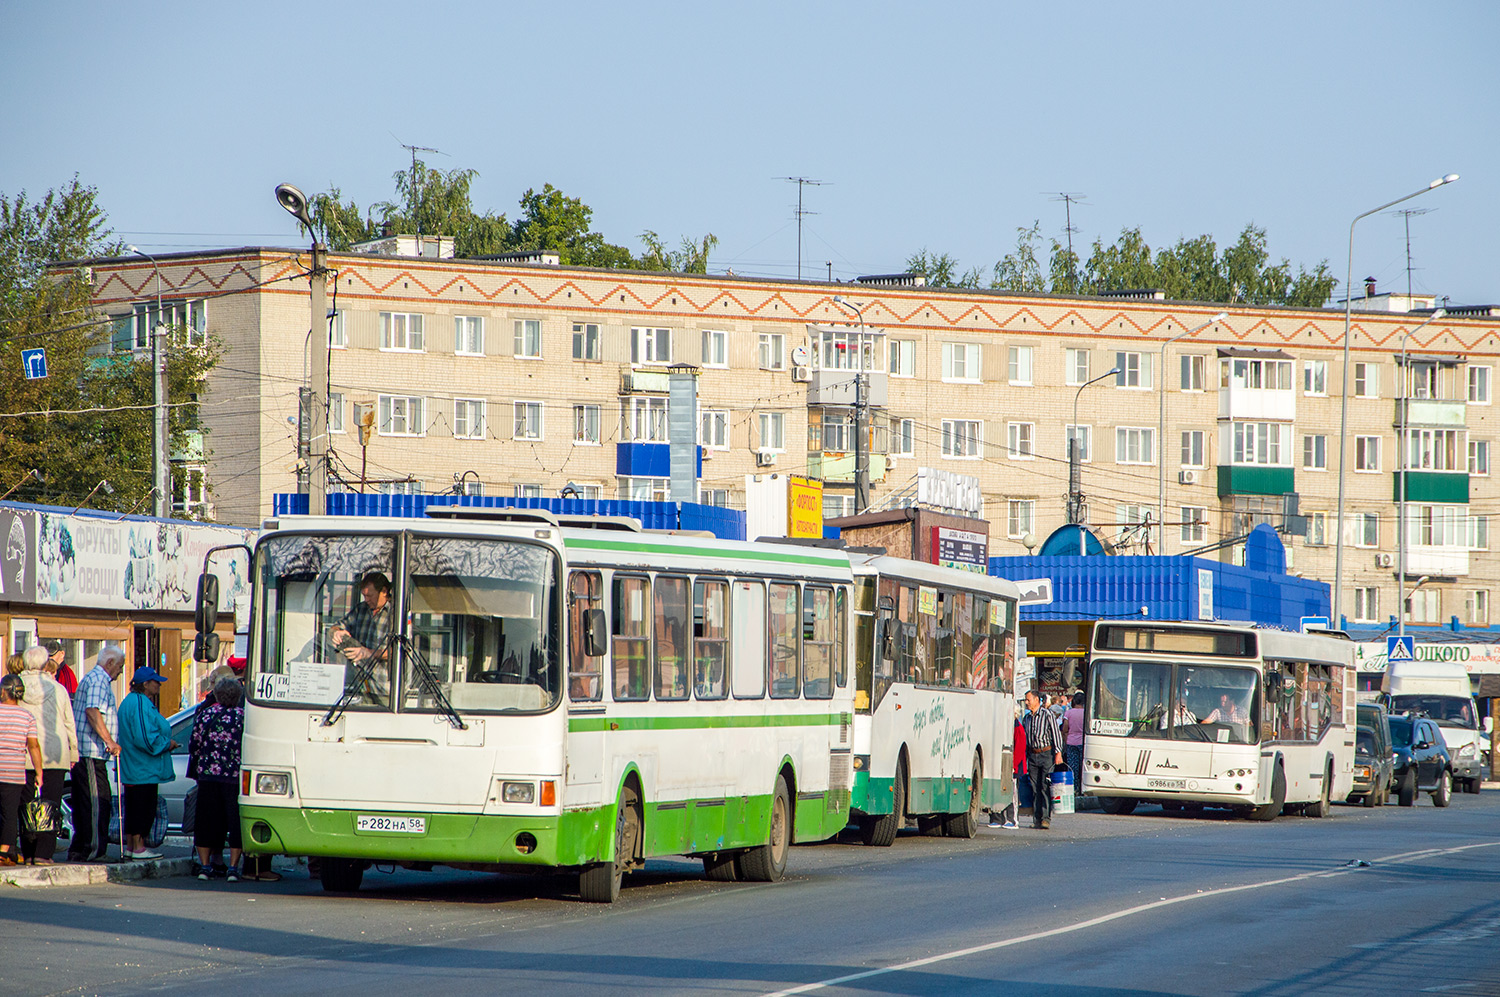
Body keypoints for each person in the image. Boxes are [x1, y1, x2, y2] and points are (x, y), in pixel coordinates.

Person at [18, 645, 78, 865]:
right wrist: (73, 753)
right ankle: (44, 852)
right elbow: (68, 723)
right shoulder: (58, 688)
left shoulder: (17, 688)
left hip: (23, 753)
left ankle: (28, 851)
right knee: (50, 803)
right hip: (54, 753)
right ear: (45, 664)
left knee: (26, 804)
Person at [69, 646, 126, 863]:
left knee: (88, 801)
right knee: (96, 803)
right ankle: (92, 849)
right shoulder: (99, 680)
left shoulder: (95, 679)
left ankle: (82, 847)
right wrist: (109, 740)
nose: (120, 671)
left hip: (90, 752)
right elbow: (93, 711)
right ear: (110, 663)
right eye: (119, 666)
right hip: (90, 751)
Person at [189, 675, 245, 883]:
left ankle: (205, 867)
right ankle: (233, 868)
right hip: (234, 777)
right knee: (235, 821)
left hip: (208, 776)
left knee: (205, 820)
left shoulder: (205, 714)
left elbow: (194, 743)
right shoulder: (242, 717)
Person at [116, 665, 176, 861]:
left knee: (136, 807)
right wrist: (167, 745)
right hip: (142, 768)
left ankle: (133, 847)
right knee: (142, 808)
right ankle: (138, 847)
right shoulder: (140, 703)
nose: (159, 685)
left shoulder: (131, 702)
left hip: (137, 767)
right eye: (155, 681)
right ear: (145, 684)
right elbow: (145, 738)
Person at [0, 674, 44, 866]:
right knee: (9, 813)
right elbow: (33, 746)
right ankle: (4, 851)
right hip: (15, 772)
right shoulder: (27, 716)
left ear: (4, 691)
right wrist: (39, 772)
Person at [329, 572, 393, 702]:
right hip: (359, 686)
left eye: (370, 596)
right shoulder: (361, 610)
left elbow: (399, 651)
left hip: (384, 689)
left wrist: (368, 653)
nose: (367, 600)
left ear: (384, 591)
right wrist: (337, 632)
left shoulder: (395, 615)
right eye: (364, 596)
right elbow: (335, 627)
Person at [1021, 688, 1064, 830]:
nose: (1027, 702)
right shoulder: (1026, 718)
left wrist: (1058, 753)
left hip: (1047, 754)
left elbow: (1056, 733)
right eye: (1026, 700)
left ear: (1037, 700)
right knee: (1035, 788)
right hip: (1032, 755)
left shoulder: (1047, 715)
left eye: (1029, 700)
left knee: (1045, 786)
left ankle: (1046, 818)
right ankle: (1037, 818)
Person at [990, 710, 1027, 829]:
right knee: (998, 790)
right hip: (1002, 762)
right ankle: (997, 817)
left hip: (1014, 765)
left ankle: (1012, 819)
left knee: (1012, 793)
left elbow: (1020, 749)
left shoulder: (1018, 728)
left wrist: (1014, 766)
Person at [1062, 691, 1086, 794]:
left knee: (1073, 768)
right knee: (1083, 767)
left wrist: (1065, 741)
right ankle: (1083, 788)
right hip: (1084, 743)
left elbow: (1065, 729)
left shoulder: (1068, 713)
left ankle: (1075, 789)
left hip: (1071, 742)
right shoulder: (1087, 713)